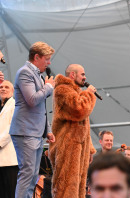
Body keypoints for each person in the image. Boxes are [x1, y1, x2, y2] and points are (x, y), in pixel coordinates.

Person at [9, 41, 56, 198]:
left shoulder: (38, 75)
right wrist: (48, 87)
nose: (49, 63)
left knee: (32, 175)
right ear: (37, 57)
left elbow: (40, 109)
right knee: (27, 174)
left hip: (35, 132)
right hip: (25, 131)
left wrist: (48, 130)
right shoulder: (25, 72)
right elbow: (32, 100)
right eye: (47, 59)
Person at [49, 64, 97, 198]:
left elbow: (83, 126)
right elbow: (79, 110)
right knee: (66, 186)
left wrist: (89, 149)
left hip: (80, 147)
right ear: (72, 75)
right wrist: (89, 94)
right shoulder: (62, 90)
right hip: (67, 146)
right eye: (82, 74)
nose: (85, 77)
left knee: (79, 186)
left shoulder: (76, 93)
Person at [0, 80, 18, 198]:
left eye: (7, 87)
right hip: (1, 160)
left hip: (10, 159)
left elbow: (13, 127)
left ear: (12, 91)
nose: (3, 89)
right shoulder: (2, 106)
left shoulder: (15, 105)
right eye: (1, 87)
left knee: (11, 192)